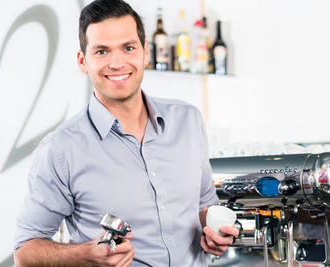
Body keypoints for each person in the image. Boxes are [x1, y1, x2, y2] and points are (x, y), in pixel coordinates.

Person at [13, 0, 239, 266]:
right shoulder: (61, 149)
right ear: (83, 61)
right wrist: (83, 255)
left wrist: (213, 231)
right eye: (101, 51)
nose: (116, 63)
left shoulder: (188, 120)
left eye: (128, 48)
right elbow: (24, 253)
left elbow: (203, 205)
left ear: (145, 52)